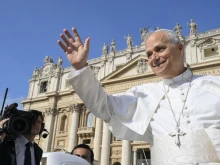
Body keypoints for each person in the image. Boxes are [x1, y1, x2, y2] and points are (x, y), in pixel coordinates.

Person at [58, 28, 220, 164]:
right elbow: (104, 107)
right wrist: (81, 68)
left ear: (180, 49)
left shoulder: (214, 85)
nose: (153, 58)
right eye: (149, 54)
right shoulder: (145, 94)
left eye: (160, 49)